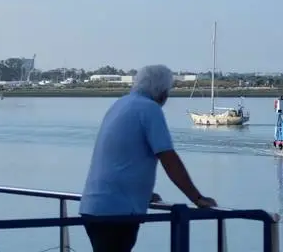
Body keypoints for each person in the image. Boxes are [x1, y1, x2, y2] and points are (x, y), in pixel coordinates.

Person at [79, 64, 217, 252]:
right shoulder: (150, 109)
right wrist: (197, 198)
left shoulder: (121, 104)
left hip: (94, 205)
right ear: (162, 91)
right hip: (117, 211)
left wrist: (141, 192)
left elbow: (119, 156)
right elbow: (168, 158)